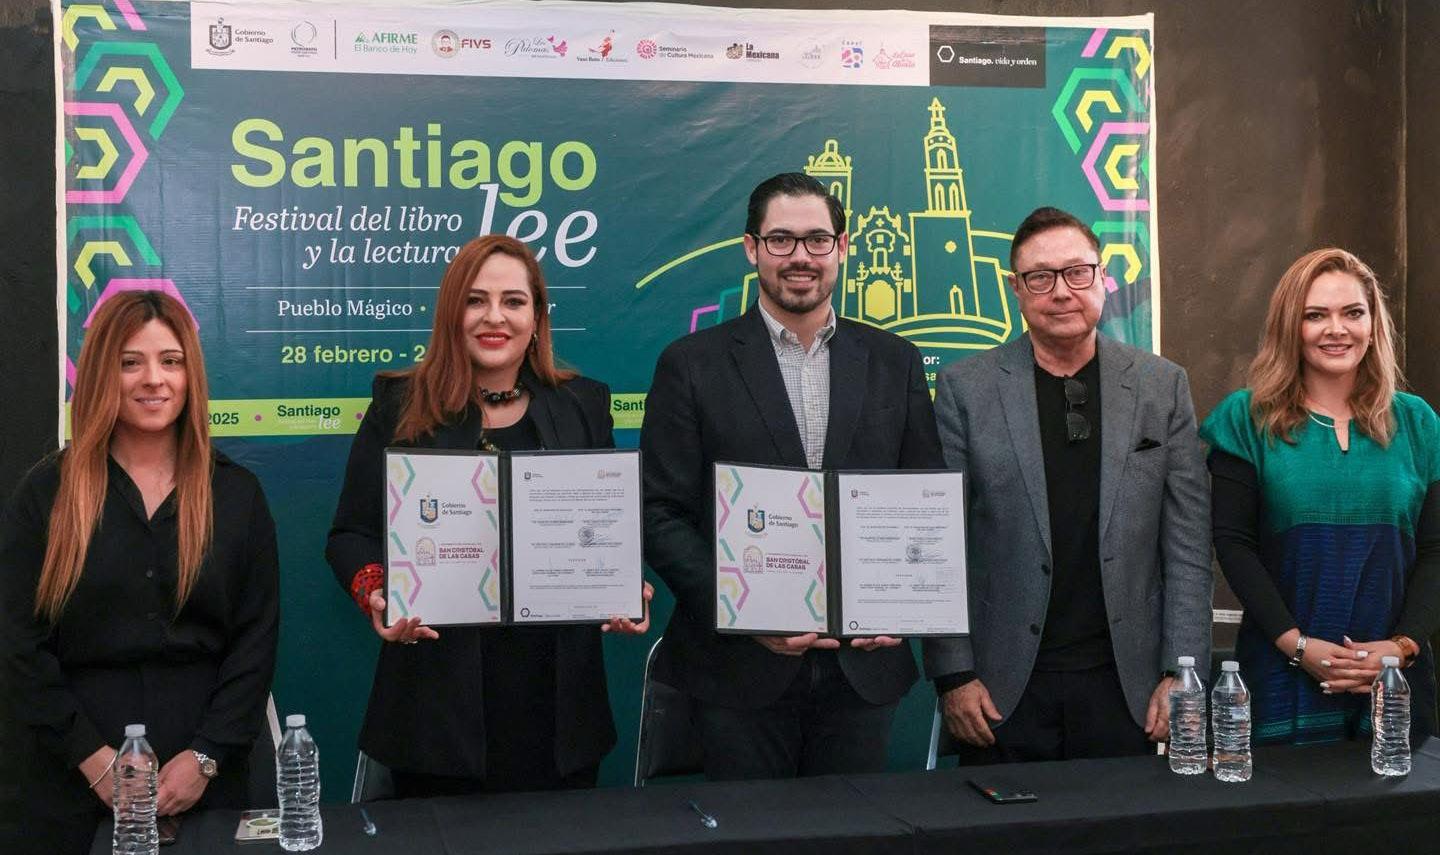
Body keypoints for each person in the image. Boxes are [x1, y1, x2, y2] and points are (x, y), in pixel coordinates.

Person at [641, 172, 943, 780]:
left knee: (856, 828)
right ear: (751, 249)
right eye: (781, 240)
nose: (800, 256)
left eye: (817, 240)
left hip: (863, 672)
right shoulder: (691, 364)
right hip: (734, 671)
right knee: (749, 828)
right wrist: (744, 611)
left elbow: (925, 501)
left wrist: (903, 605)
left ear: (842, 247)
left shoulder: (895, 361)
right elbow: (659, 511)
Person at [327, 234, 652, 797]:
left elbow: (605, 527)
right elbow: (350, 533)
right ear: (452, 314)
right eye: (475, 300)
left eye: (513, 301)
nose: (494, 317)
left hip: (558, 712)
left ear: (537, 316)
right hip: (435, 711)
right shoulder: (399, 404)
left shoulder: (584, 404)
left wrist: (622, 583)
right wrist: (376, 590)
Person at [923, 206, 1212, 762]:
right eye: (1040, 277)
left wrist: (1183, 671)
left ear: (1103, 278)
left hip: (1128, 686)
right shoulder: (966, 390)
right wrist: (953, 674)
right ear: (1015, 288)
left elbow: (1188, 544)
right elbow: (938, 545)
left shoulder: (1161, 386)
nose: (1061, 291)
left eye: (1077, 273)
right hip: (999, 691)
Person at [0, 291, 279, 855]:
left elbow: (255, 643)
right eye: (131, 362)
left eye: (170, 361)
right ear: (102, 373)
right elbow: (18, 642)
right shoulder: (46, 494)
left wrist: (205, 758)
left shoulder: (236, 495)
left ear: (190, 374)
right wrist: (94, 761)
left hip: (207, 785)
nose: (154, 379)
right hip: (68, 786)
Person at [1200, 248, 1439, 744]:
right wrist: (1297, 646)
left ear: (1373, 324)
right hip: (1280, 672)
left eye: (1353, 313)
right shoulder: (1246, 419)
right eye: (1315, 315)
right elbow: (1234, 544)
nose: (1337, 329)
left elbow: (1437, 550)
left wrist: (1401, 647)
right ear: (1290, 325)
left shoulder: (1418, 423)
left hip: (1393, 680)